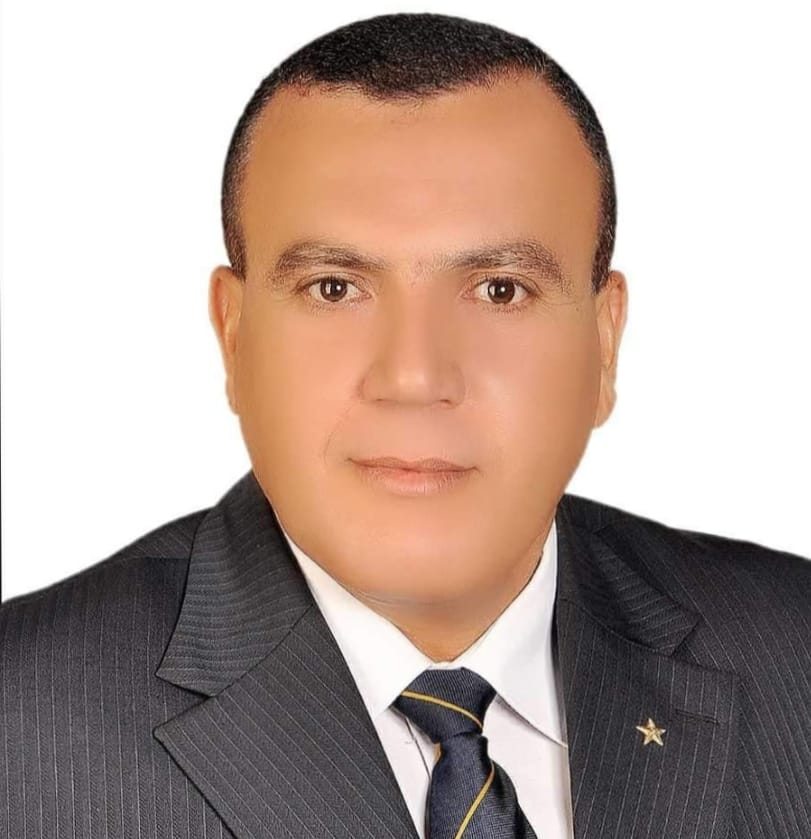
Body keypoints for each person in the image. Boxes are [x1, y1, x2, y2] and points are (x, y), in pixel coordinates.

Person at [1, 11, 809, 839]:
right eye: (333, 288)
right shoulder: (18, 730)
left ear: (604, 342)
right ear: (233, 335)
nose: (414, 376)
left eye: (499, 289)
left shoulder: (796, 651)